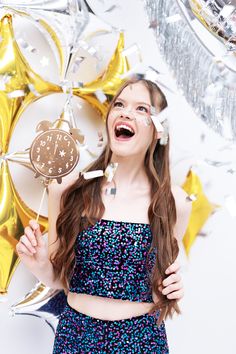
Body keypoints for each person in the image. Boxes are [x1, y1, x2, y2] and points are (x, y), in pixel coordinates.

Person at [16, 77, 192, 353]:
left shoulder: (174, 202)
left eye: (142, 109)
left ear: (159, 130)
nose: (125, 112)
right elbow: (60, 278)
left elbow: (161, 287)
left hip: (142, 340)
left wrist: (172, 289)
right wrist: (37, 263)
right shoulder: (66, 189)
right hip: (77, 337)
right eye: (119, 104)